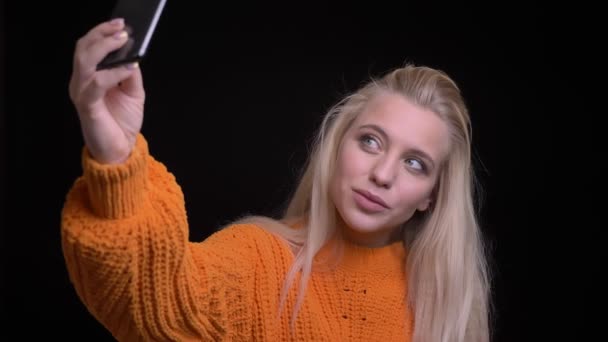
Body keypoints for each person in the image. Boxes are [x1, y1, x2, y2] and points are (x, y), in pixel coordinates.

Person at [62, 18, 491, 342]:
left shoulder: (445, 306)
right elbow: (152, 302)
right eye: (371, 142)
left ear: (431, 197)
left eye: (415, 164)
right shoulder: (262, 262)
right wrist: (116, 155)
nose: (382, 175)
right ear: (336, 146)